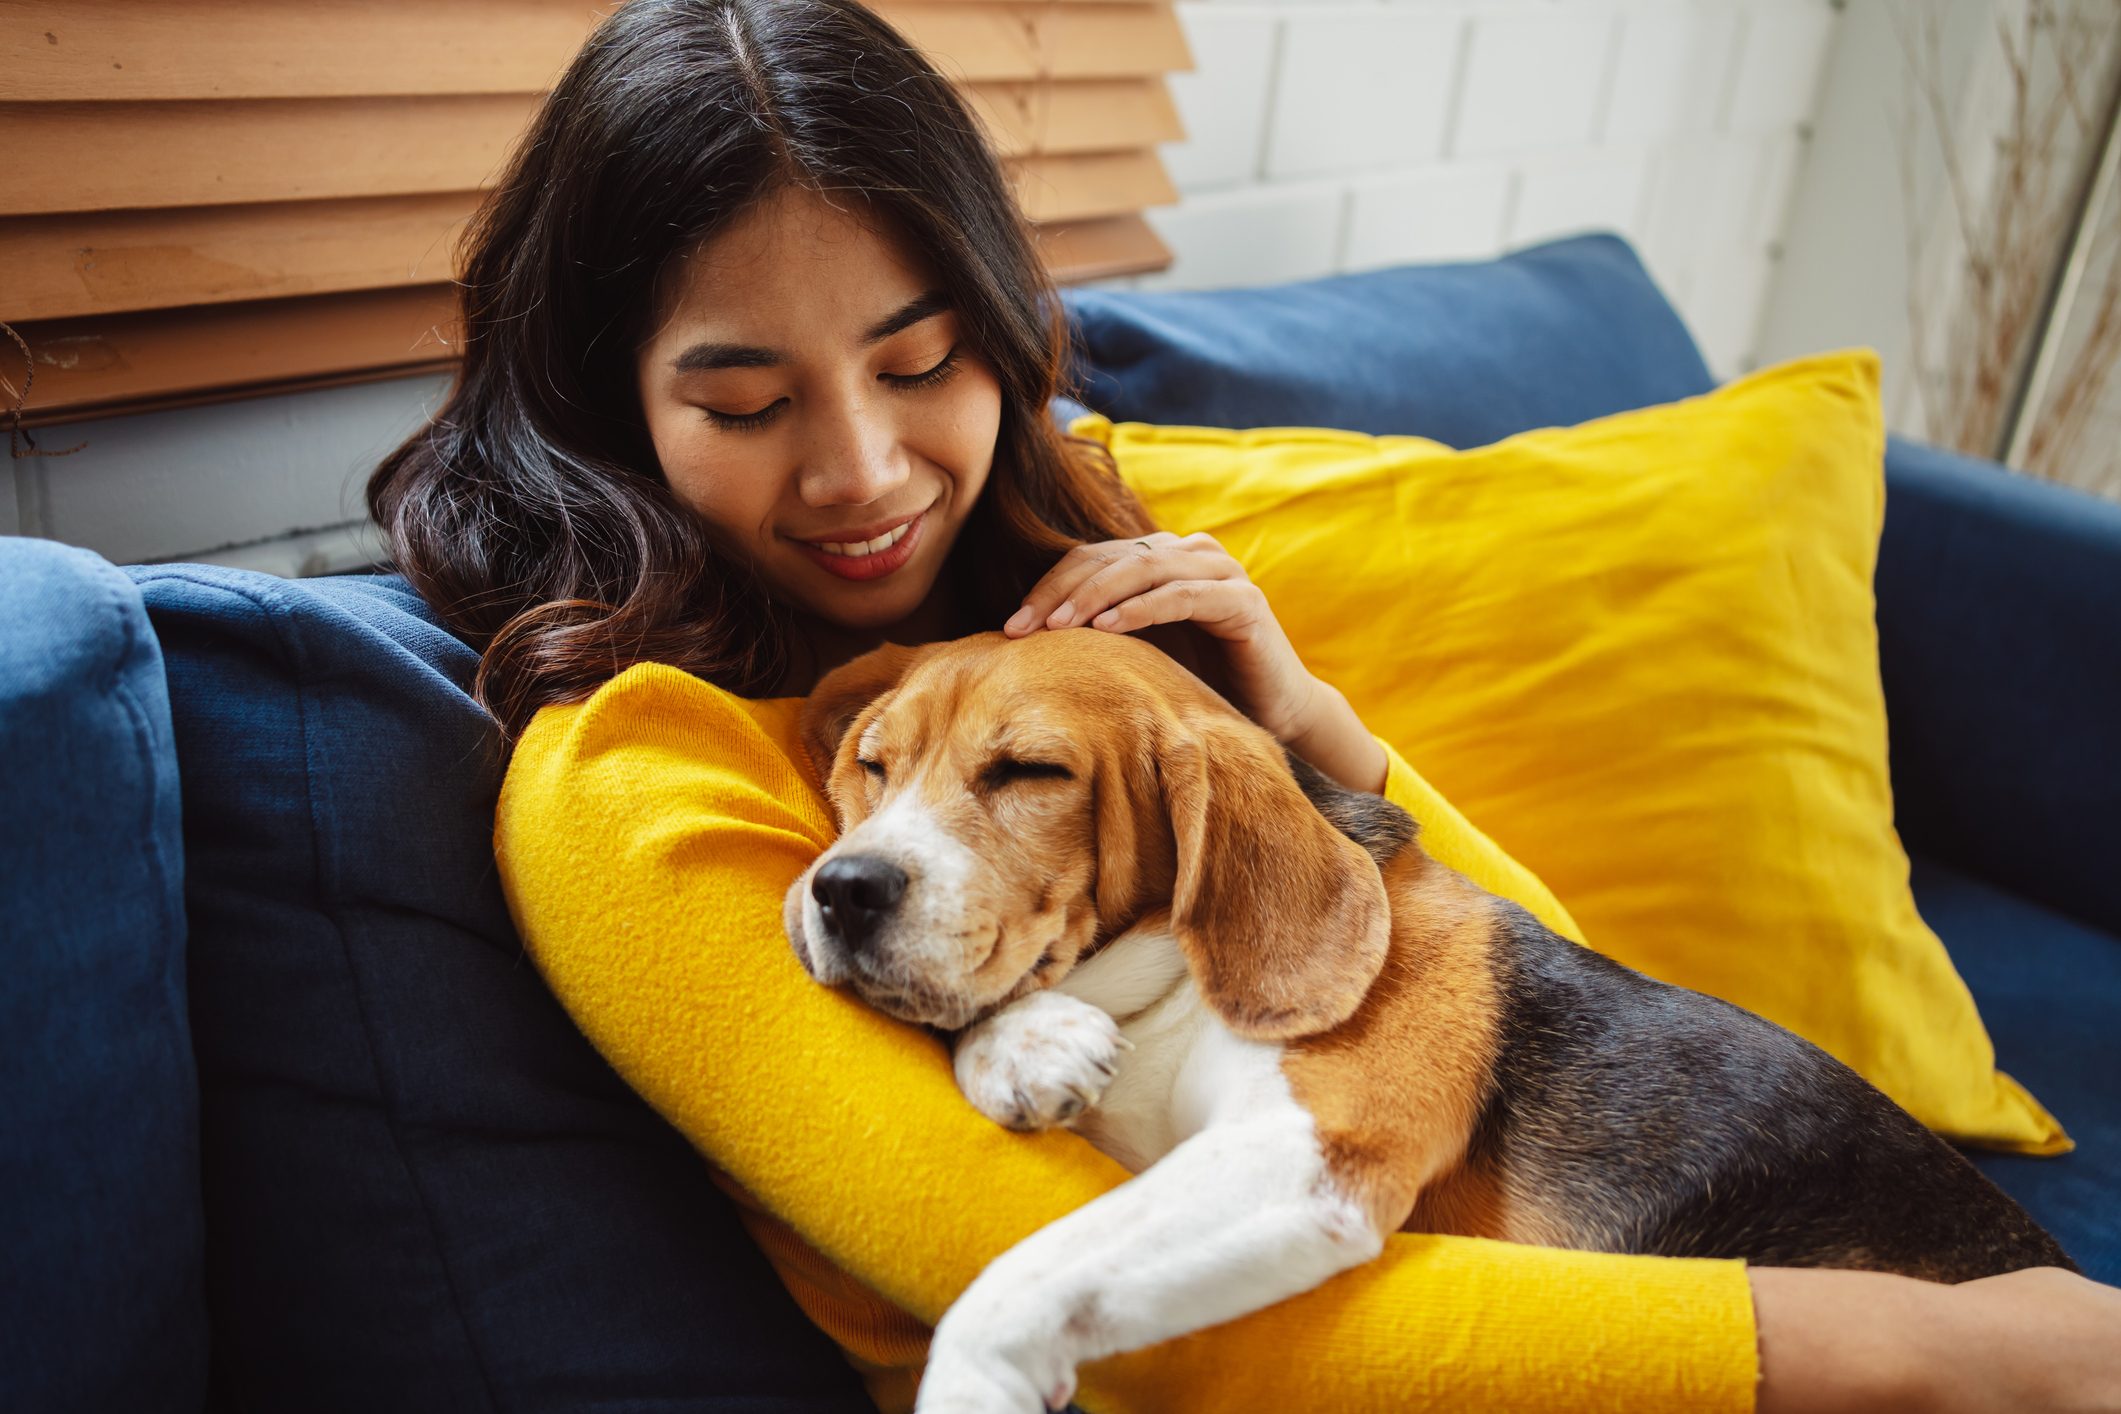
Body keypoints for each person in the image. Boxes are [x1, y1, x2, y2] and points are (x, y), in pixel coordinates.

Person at [368, 1, 2121, 1409]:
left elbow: (1509, 1007)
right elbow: (1102, 1297)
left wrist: (1307, 726)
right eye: (746, 402)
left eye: (918, 361)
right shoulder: (632, 772)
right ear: (604, 405)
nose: (863, 469)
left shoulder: (1077, 632)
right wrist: (1930, 1350)